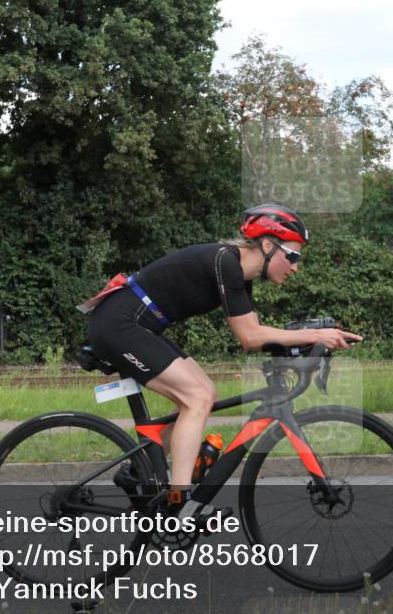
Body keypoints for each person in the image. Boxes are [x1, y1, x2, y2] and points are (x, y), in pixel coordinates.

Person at [85, 205, 361, 529]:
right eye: (295, 256)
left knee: (206, 395)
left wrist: (304, 344)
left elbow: (256, 335)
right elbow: (250, 336)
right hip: (120, 324)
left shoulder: (240, 276)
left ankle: (139, 470)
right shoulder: (225, 263)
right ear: (270, 246)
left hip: (137, 325)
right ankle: (181, 504)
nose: (296, 267)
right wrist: (316, 335)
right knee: (197, 399)